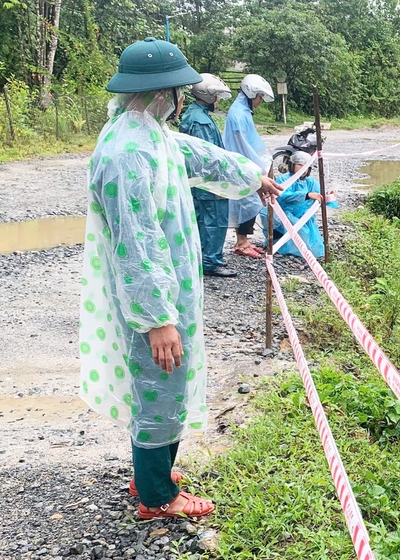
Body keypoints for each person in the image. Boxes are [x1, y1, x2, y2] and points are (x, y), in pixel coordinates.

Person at [80, 38, 283, 519]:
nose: (181, 100)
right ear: (162, 93)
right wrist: (157, 319)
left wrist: (252, 176)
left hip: (171, 289)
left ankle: (152, 473)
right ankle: (156, 498)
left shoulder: (149, 134)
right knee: (160, 382)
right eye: (178, 92)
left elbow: (200, 157)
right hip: (154, 299)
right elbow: (136, 242)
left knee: (164, 382)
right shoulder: (127, 153)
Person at [178, 73, 236, 278]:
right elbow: (205, 156)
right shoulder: (201, 121)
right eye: (216, 96)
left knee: (202, 219)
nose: (218, 100)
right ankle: (210, 261)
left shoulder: (194, 114)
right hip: (207, 182)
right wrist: (219, 183)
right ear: (208, 95)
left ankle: (202, 258)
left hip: (197, 181)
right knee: (214, 220)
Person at [223, 74, 275, 259]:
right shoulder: (239, 114)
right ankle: (242, 243)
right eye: (259, 97)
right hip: (243, 163)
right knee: (248, 201)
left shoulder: (242, 111)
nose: (260, 101)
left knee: (245, 201)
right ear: (252, 93)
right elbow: (244, 145)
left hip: (243, 162)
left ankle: (242, 240)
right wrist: (260, 166)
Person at [262, 151, 330, 259]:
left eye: (306, 166)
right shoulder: (283, 179)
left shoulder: (310, 181)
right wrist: (306, 195)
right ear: (292, 165)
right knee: (296, 234)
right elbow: (283, 196)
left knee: (312, 243)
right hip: (284, 215)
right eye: (300, 165)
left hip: (303, 216)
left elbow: (320, 193)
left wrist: (327, 195)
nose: (303, 168)